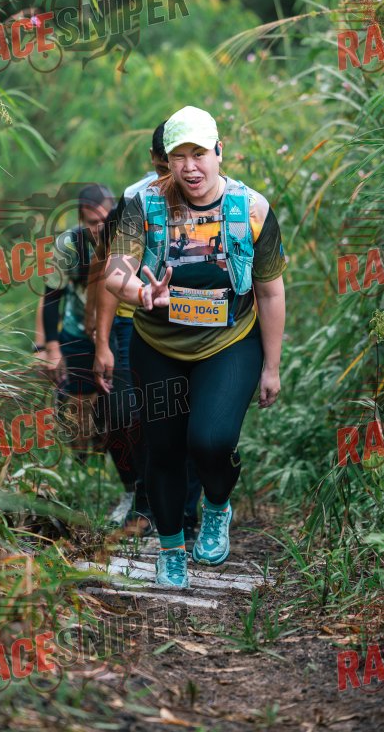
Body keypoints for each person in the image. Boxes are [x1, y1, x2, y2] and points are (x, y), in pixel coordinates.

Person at [105, 106, 287, 588]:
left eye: (199, 154)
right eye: (179, 156)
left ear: (219, 152)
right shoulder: (143, 204)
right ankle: (170, 550)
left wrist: (272, 366)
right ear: (165, 160)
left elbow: (270, 292)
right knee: (163, 450)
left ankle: (218, 505)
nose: (190, 167)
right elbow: (115, 272)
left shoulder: (252, 210)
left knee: (211, 441)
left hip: (229, 342)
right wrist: (142, 293)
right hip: (157, 344)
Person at [90, 122, 202, 540]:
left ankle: (185, 513)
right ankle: (145, 497)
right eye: (167, 164)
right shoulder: (135, 199)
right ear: (157, 159)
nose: (176, 176)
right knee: (131, 414)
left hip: (195, 322)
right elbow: (110, 272)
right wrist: (102, 341)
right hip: (133, 320)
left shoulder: (213, 197)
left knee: (189, 418)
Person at [39, 183, 139, 487]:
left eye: (104, 220)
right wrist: (50, 347)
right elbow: (51, 296)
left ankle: (126, 478)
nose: (99, 228)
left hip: (119, 330)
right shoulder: (69, 245)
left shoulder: (129, 241)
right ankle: (82, 471)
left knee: (117, 408)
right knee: (77, 408)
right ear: (82, 220)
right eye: (92, 222)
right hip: (77, 332)